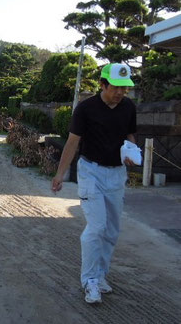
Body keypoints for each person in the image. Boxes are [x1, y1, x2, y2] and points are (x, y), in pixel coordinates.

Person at [51, 63, 137, 304]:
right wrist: (60, 174)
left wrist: (132, 151)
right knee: (97, 226)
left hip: (117, 173)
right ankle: (89, 281)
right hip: (91, 172)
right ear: (103, 84)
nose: (120, 93)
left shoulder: (128, 107)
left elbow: (130, 134)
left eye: (124, 88)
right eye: (116, 87)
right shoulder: (86, 109)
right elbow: (72, 142)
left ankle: (100, 277)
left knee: (111, 230)